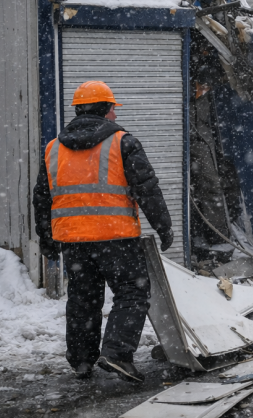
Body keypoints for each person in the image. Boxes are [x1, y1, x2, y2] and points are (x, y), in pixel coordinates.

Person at [33, 81, 174, 383]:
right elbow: (147, 189)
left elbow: (42, 198)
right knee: (132, 293)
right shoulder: (123, 142)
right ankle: (117, 353)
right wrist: (164, 227)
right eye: (112, 108)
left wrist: (46, 239)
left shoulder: (53, 148)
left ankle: (82, 361)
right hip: (117, 237)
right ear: (108, 110)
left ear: (78, 109)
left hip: (73, 241)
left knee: (83, 298)